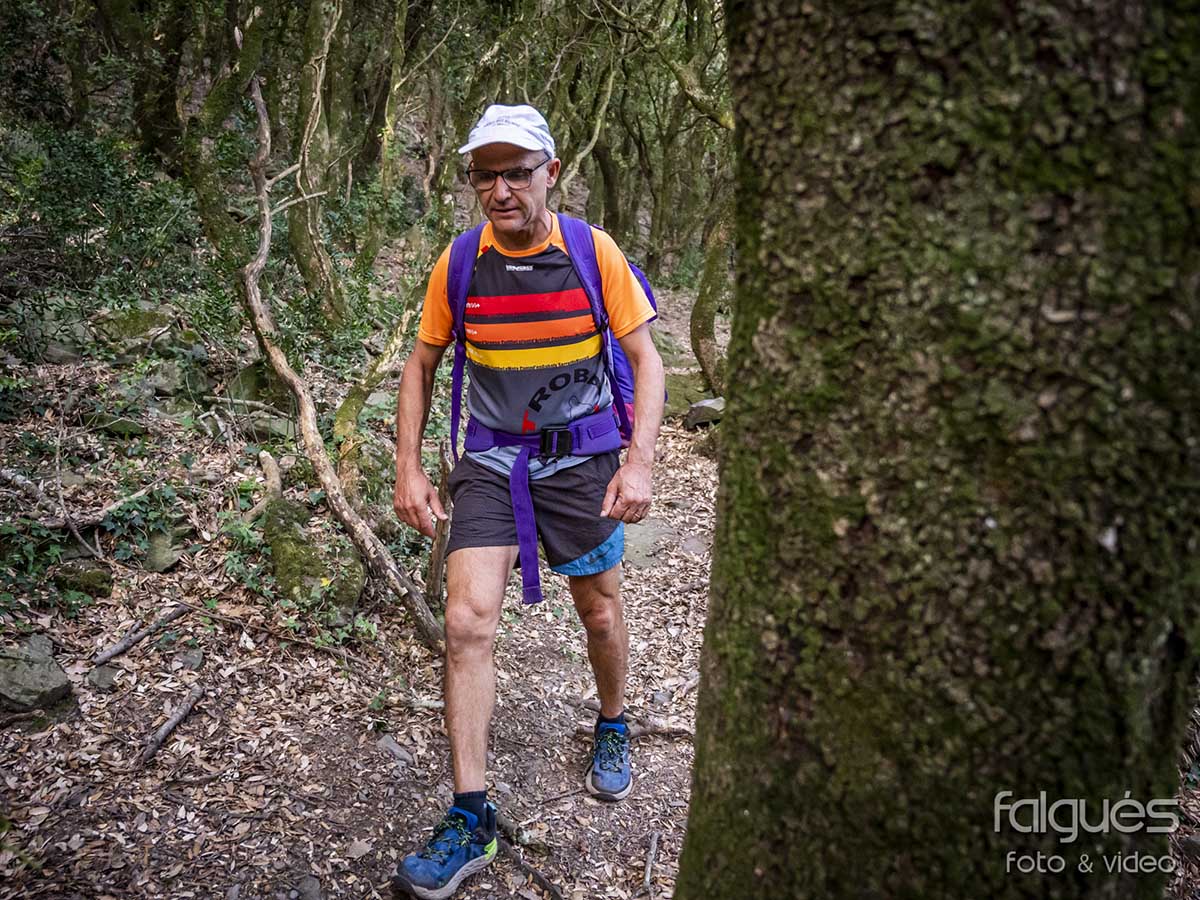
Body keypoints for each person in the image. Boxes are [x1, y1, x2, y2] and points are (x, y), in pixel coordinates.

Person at [389, 104, 665, 899]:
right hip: (491, 458)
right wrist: (408, 467)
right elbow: (421, 363)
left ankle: (612, 722)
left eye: (516, 172)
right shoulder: (459, 263)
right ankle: (470, 815)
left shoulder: (592, 252)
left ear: (551, 173)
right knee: (467, 621)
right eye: (485, 175)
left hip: (583, 458)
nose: (501, 189)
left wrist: (639, 463)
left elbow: (646, 359)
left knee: (600, 612)